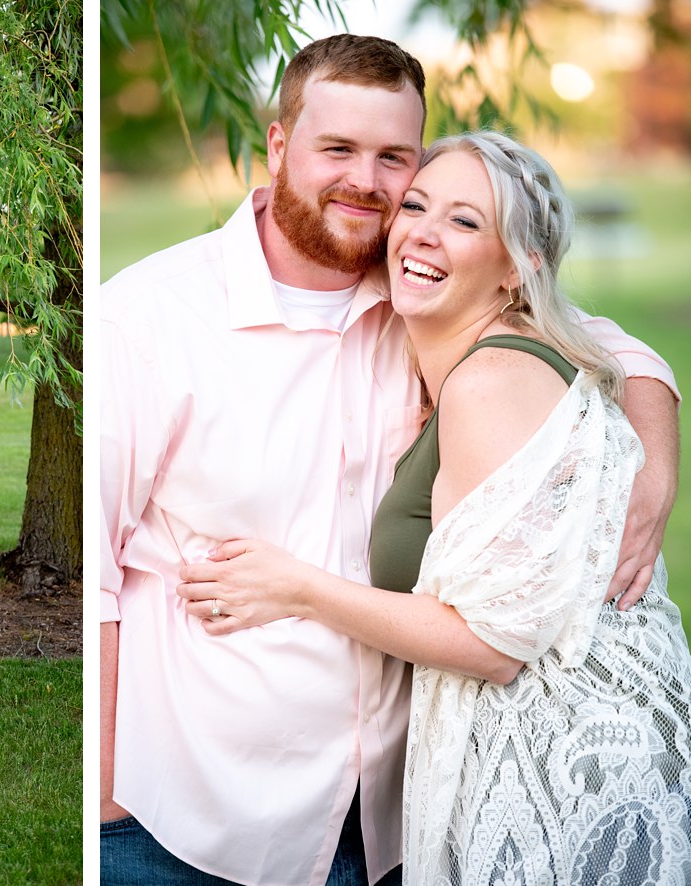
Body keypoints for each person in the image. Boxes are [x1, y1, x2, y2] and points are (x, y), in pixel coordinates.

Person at [100, 34, 681, 886]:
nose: (366, 183)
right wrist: (107, 807)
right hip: (194, 827)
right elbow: (99, 575)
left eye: (392, 159)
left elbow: (609, 346)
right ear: (277, 145)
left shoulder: (419, 291)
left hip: (400, 822)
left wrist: (657, 465)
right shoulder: (149, 320)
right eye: (337, 148)